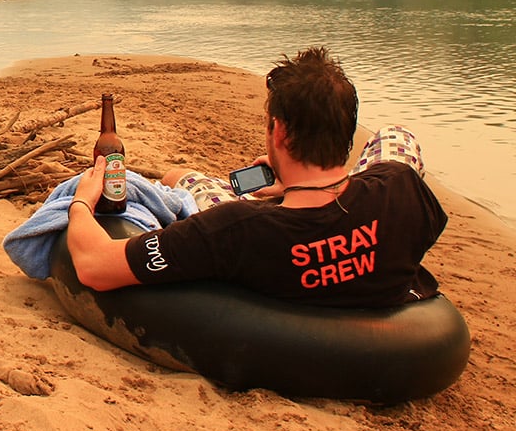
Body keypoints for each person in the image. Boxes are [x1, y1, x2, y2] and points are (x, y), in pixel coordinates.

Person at [67, 46, 447, 308]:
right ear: (347, 129)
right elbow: (394, 160)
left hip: (269, 237)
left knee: (183, 178)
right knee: (397, 136)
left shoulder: (233, 228)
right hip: (341, 201)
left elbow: (94, 266)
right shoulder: (400, 189)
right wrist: (289, 186)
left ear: (278, 132)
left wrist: (82, 200)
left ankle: (293, 184)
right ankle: (312, 182)